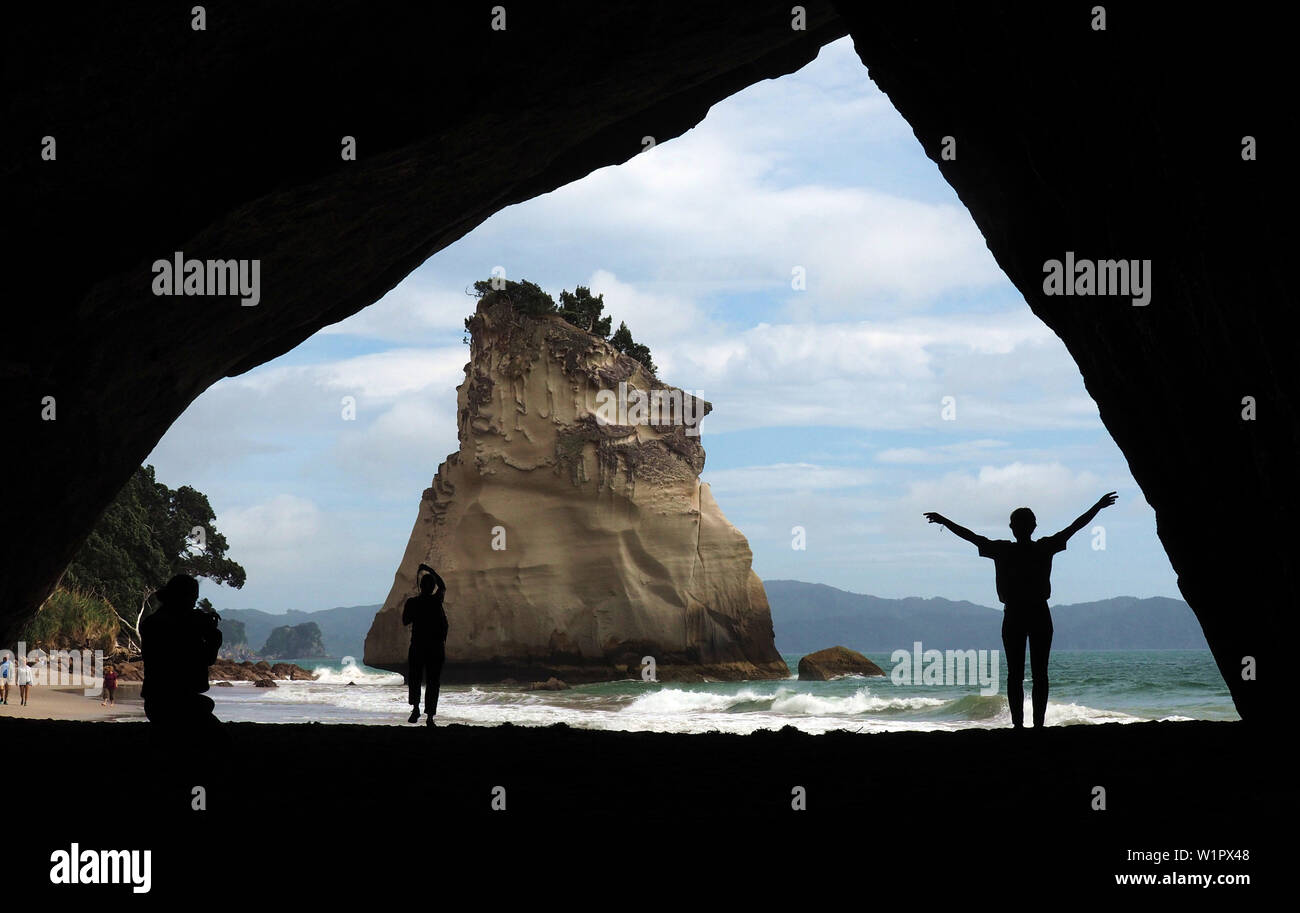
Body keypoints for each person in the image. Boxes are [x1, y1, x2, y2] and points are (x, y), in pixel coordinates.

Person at [923, 492, 1118, 729]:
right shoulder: (1042, 547)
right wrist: (1097, 506)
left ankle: (1019, 726)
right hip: (1036, 614)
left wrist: (944, 520)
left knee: (1016, 675)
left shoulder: (1004, 550)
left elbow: (971, 537)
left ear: (1012, 527)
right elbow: (1074, 527)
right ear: (1033, 526)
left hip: (1016, 614)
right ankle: (1036, 726)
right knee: (1039, 674)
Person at [141, 574, 223, 729]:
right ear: (183, 598)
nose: (193, 605)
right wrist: (214, 636)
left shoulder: (152, 622)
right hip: (176, 702)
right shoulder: (185, 626)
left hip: (155, 701)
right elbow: (206, 658)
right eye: (192, 599)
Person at [402, 563, 448, 726]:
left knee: (415, 678)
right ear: (432, 587)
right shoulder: (436, 600)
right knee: (433, 681)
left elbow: (405, 621)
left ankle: (415, 709)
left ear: (421, 587)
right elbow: (443, 586)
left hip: (417, 646)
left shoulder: (413, 602)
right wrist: (430, 570)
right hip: (435, 647)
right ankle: (429, 717)